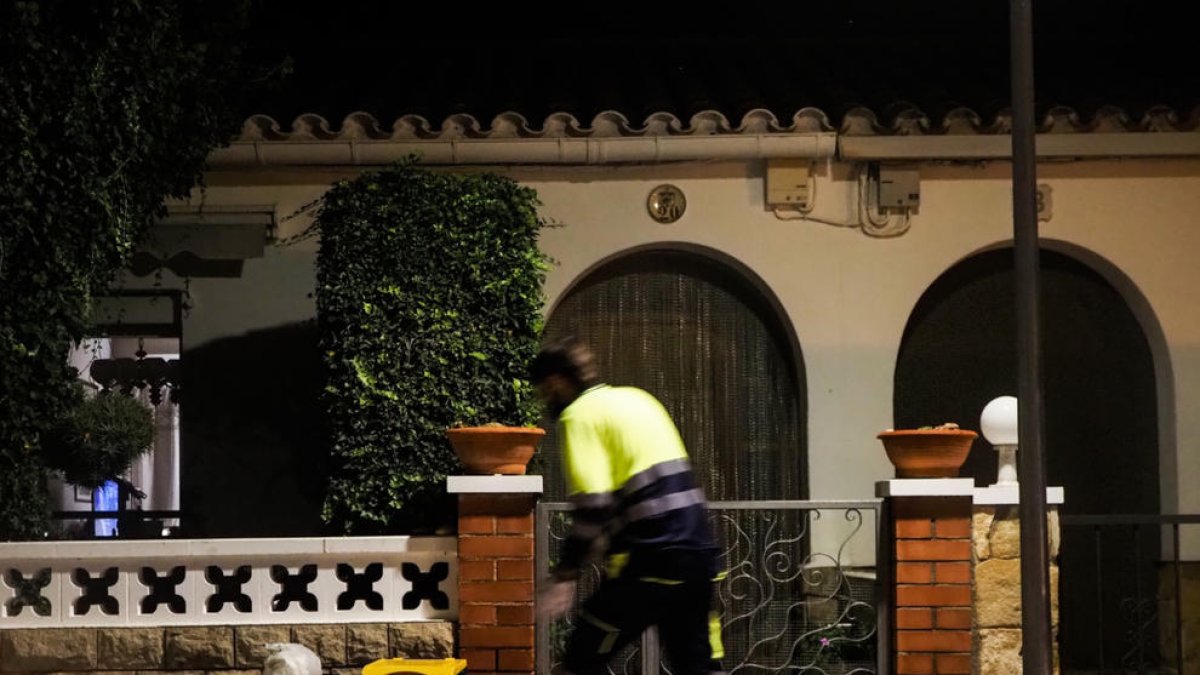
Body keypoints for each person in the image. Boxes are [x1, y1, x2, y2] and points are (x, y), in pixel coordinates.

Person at [529, 336, 724, 675]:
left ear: (557, 381)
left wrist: (565, 574)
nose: (547, 399)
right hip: (698, 553)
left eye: (545, 390)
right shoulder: (639, 398)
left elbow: (594, 507)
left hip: (651, 559)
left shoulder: (579, 416)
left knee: (579, 660)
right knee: (698, 666)